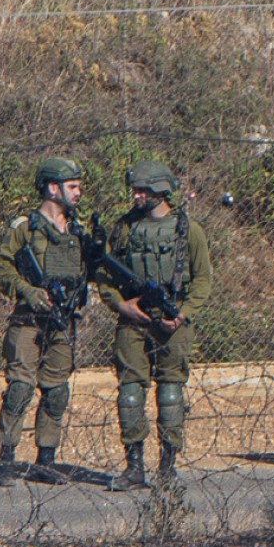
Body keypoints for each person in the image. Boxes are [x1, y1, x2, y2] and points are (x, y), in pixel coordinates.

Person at [94, 160, 213, 491]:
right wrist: (119, 304)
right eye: (135, 190)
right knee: (130, 392)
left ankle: (167, 467)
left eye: (143, 190)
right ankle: (134, 466)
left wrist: (183, 313)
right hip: (132, 319)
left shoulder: (188, 230)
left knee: (171, 392)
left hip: (172, 321)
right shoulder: (123, 229)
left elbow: (202, 280)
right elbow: (103, 270)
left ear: (161, 190)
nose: (137, 196)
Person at [0, 157, 94, 487]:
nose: (78, 192)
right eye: (72, 186)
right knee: (20, 388)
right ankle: (6, 457)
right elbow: (2, 268)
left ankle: (45, 459)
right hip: (28, 321)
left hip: (62, 322)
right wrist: (28, 291)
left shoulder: (78, 231)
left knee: (56, 391)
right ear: (53, 188)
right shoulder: (25, 228)